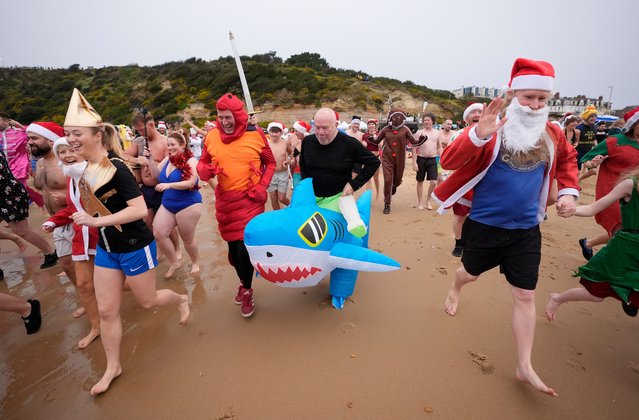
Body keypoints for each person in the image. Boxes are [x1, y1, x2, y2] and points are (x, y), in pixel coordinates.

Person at [435, 58, 580, 397]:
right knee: (468, 274)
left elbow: (569, 161)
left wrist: (570, 193)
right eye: (529, 97)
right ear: (514, 93)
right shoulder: (494, 125)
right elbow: (449, 161)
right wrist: (478, 135)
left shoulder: (554, 131)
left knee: (525, 295)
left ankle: (524, 364)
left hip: (527, 228)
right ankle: (456, 287)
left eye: (543, 100)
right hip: (486, 224)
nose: (535, 106)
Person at [63, 88, 189, 395]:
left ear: (97, 136)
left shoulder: (116, 168)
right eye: (68, 134)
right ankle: (113, 366)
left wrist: (95, 222)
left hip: (135, 244)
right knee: (107, 311)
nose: (71, 140)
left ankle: (181, 300)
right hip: (108, 248)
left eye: (77, 134)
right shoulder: (84, 169)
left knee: (147, 301)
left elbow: (139, 210)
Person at [197, 93, 275, 318]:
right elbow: (203, 162)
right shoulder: (211, 136)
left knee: (243, 249)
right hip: (225, 202)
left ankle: (248, 290)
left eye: (228, 117)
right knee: (232, 251)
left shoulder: (256, 134)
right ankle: (243, 281)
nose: (224, 122)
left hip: (250, 199)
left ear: (238, 115)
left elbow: (270, 163)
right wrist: (203, 170)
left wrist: (263, 185)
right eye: (220, 117)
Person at [545, 165, 639, 320]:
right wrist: (572, 210)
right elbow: (593, 208)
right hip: (624, 252)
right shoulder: (631, 184)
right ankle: (558, 298)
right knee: (596, 294)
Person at [42, 138, 101, 349]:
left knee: (116, 284)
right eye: (62, 152)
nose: (67, 155)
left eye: (71, 150)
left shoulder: (98, 173)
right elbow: (72, 208)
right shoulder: (71, 178)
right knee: (85, 285)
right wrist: (53, 221)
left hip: (102, 236)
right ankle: (97, 326)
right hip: (81, 238)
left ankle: (148, 293)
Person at [27, 122, 83, 314]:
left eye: (35, 138)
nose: (30, 143)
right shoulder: (40, 164)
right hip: (57, 222)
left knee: (87, 265)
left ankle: (102, 294)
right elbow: (43, 190)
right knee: (67, 265)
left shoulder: (67, 163)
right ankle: (86, 298)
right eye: (29, 139)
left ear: (50, 140)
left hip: (76, 220)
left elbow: (87, 190)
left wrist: (66, 199)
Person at [299, 107, 380, 236]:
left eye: (325, 128)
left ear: (336, 125)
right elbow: (303, 164)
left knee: (323, 234)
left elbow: (374, 162)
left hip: (336, 197)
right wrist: (304, 186)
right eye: (317, 127)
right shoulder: (308, 142)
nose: (320, 132)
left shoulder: (349, 144)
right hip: (311, 196)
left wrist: (354, 184)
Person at [577, 106, 639, 260]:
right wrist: (593, 163)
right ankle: (599, 272)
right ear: (634, 124)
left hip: (635, 195)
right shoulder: (614, 141)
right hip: (611, 192)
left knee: (629, 230)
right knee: (620, 232)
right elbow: (588, 159)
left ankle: (588, 243)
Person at [124, 110, 181, 259]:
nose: (140, 132)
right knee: (149, 222)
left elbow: (169, 164)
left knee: (166, 224)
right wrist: (138, 161)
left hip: (162, 188)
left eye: (142, 129)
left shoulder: (165, 142)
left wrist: (152, 162)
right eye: (137, 130)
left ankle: (177, 248)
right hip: (146, 188)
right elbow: (123, 154)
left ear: (151, 124)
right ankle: (161, 247)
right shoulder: (139, 142)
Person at [147, 132, 202, 277]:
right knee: (158, 233)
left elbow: (190, 182)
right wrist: (150, 160)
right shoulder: (167, 159)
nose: (170, 148)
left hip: (188, 204)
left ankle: (195, 262)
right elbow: (155, 175)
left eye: (173, 145)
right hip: (168, 203)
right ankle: (174, 262)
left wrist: (169, 185)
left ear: (183, 145)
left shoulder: (192, 161)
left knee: (187, 238)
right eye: (168, 145)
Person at [0, 135, 58, 269]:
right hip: (6, 195)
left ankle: (50, 252)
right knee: (19, 231)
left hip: (8, 196)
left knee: (21, 230)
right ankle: (14, 239)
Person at [368, 108, 426, 214]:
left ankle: (395, 185)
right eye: (394, 118)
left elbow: (414, 142)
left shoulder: (405, 129)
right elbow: (377, 141)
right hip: (387, 158)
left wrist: (421, 140)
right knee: (388, 180)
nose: (396, 120)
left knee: (397, 180)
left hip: (400, 158)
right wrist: (372, 139)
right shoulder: (385, 129)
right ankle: (387, 203)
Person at [448, 103, 483, 257]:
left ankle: (476, 243)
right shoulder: (458, 135)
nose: (476, 115)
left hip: (486, 184)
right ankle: (459, 243)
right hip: (464, 184)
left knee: (482, 216)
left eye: (480, 112)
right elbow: (449, 159)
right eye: (473, 112)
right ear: (466, 118)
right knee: (460, 215)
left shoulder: (495, 135)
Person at [0, 112, 44, 207]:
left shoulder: (20, 131)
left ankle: (18, 208)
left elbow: (36, 134)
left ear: (7, 121)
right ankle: (41, 202)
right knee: (21, 189)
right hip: (4, 167)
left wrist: (20, 125)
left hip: (19, 165)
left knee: (19, 189)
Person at [412, 113, 442, 210]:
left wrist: (443, 157)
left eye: (428, 120)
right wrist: (414, 162)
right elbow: (414, 147)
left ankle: (428, 200)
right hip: (421, 158)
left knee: (433, 182)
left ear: (432, 121)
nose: (426, 122)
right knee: (420, 181)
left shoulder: (437, 133)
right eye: (425, 120)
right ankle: (420, 202)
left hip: (433, 159)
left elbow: (439, 147)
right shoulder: (419, 133)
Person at [266, 122, 292, 210]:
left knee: (282, 198)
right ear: (269, 132)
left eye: (276, 132)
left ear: (281, 133)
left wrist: (289, 161)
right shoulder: (266, 145)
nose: (274, 134)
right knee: (273, 199)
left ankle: (293, 207)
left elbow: (292, 153)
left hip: (282, 174)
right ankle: (277, 216)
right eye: (272, 132)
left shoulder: (285, 143)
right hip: (270, 174)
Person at [289, 120, 311, 189]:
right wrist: (291, 160)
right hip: (296, 172)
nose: (295, 133)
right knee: (297, 191)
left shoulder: (310, 143)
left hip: (307, 173)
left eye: (296, 131)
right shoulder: (298, 142)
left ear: (302, 132)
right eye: (294, 131)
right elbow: (293, 156)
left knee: (306, 191)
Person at [362, 119, 381, 198]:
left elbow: (381, 146)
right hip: (367, 158)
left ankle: (377, 194)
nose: (371, 126)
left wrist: (376, 139)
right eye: (369, 124)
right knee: (368, 179)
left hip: (376, 158)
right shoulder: (365, 135)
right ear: (367, 126)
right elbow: (363, 145)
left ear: (375, 125)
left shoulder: (378, 134)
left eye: (372, 124)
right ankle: (368, 197)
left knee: (376, 178)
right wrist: (363, 143)